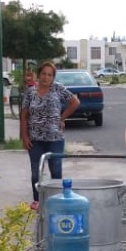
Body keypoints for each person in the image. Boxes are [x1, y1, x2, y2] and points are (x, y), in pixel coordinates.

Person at [20, 61, 80, 210]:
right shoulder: (30, 92)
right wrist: (25, 137)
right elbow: (23, 116)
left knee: (56, 172)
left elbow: (75, 102)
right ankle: (37, 200)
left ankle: (56, 201)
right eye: (44, 74)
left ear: (53, 77)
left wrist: (62, 118)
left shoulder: (58, 88)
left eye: (49, 75)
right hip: (35, 140)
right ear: (39, 75)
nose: (46, 77)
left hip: (55, 139)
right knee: (36, 173)